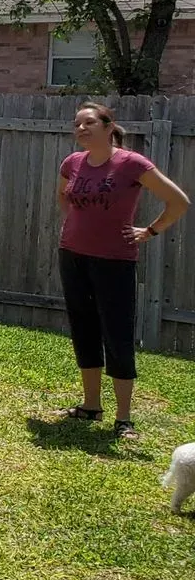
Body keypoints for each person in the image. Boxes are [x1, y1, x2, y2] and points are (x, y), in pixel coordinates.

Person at [56, 102, 190, 438]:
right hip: (72, 254)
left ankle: (124, 418)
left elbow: (178, 201)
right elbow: (63, 197)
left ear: (107, 126)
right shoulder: (72, 163)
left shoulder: (131, 163)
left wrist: (149, 231)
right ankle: (90, 406)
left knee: (116, 333)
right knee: (83, 327)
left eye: (88, 123)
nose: (81, 129)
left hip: (114, 260)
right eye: (77, 125)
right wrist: (76, 225)